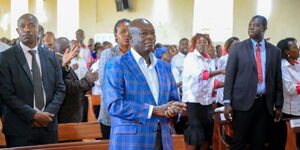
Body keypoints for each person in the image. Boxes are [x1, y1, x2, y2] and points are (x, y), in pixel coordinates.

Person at [103, 18, 186, 150]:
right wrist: (153, 110)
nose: (150, 37)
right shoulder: (116, 64)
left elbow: (173, 100)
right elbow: (114, 105)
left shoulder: (164, 67)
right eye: (144, 34)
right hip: (131, 141)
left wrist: (174, 109)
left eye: (152, 33)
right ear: (131, 38)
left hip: (162, 139)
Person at [0, 13, 65, 147]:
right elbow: (6, 94)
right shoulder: (5, 58)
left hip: (48, 125)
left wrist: (47, 115)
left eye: (31, 26)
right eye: (22, 26)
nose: (27, 29)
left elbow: (60, 89)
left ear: (38, 30)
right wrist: (34, 115)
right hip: (19, 128)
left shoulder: (51, 56)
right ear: (17, 31)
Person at [223, 15, 283, 150]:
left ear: (265, 28)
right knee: (239, 142)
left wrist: (279, 104)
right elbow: (229, 77)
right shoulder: (238, 48)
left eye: (256, 25)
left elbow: (277, 79)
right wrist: (227, 102)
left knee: (259, 142)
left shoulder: (275, 51)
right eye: (250, 24)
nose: (251, 27)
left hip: (264, 104)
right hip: (242, 103)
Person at [182, 33, 224, 150]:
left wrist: (229, 83)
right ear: (194, 44)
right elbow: (202, 75)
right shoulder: (191, 57)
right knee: (195, 132)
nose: (202, 44)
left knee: (206, 132)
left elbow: (212, 83)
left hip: (207, 101)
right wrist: (220, 72)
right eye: (199, 42)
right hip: (193, 101)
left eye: (205, 42)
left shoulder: (208, 60)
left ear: (208, 45)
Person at [97, 18, 131, 139]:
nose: (127, 35)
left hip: (133, 116)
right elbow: (105, 84)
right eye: (123, 32)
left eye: (129, 32)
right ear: (116, 36)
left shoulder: (137, 55)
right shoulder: (109, 54)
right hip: (111, 115)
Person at [55, 37, 98, 123]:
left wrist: (89, 80)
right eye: (74, 47)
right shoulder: (59, 61)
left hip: (77, 104)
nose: (77, 50)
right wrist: (87, 80)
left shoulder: (79, 59)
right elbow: (69, 86)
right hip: (67, 113)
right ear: (69, 48)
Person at [216, 37, 239, 105]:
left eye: (239, 45)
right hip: (224, 90)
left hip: (237, 91)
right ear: (228, 48)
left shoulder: (241, 58)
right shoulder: (223, 59)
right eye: (235, 45)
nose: (238, 47)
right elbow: (219, 76)